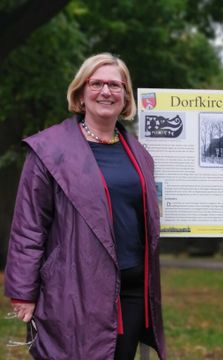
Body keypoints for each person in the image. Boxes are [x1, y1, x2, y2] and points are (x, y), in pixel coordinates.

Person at [4, 53, 166, 360]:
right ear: (80, 93)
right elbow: (29, 226)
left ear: (125, 97)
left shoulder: (138, 153)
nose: (106, 91)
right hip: (74, 289)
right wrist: (23, 291)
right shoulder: (49, 150)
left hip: (131, 290)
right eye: (97, 83)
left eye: (115, 85)